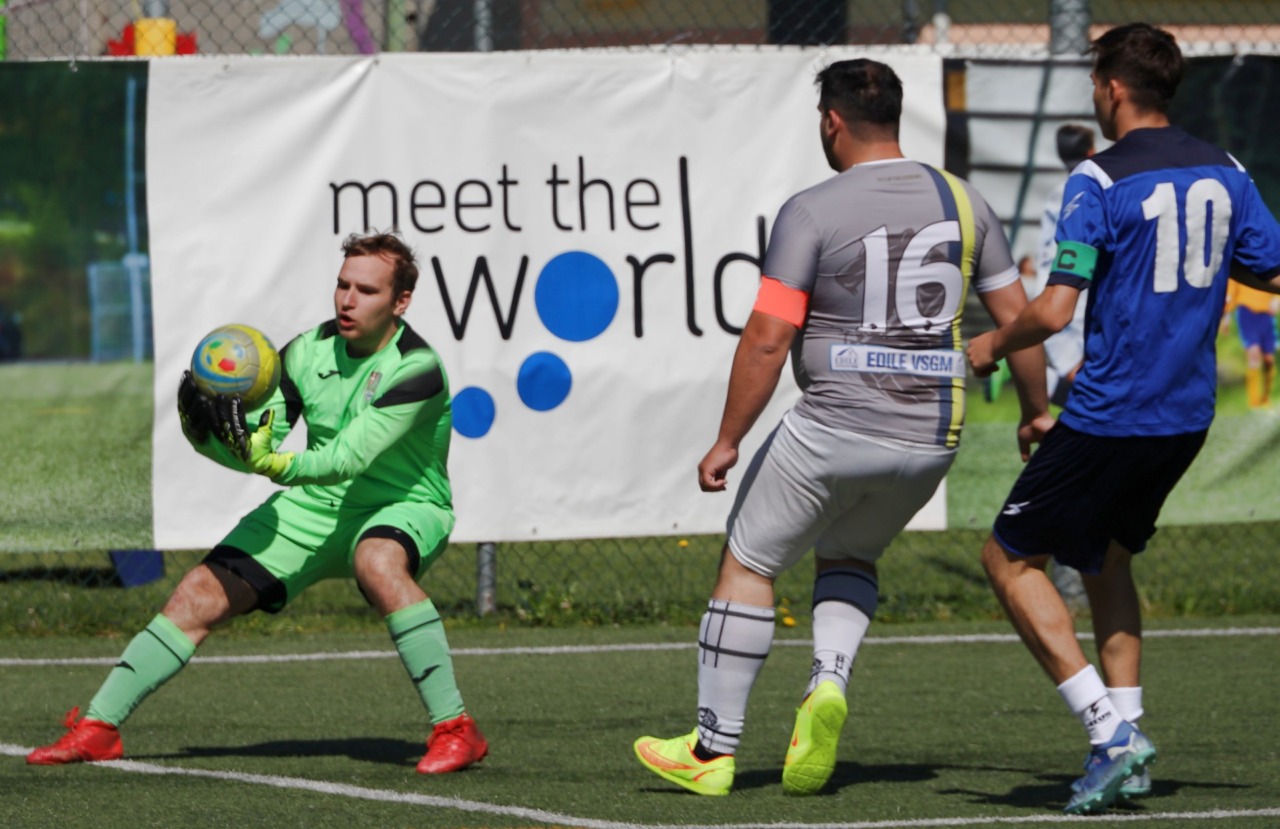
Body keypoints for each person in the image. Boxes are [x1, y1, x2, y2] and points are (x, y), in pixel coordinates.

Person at [633, 58, 1050, 797]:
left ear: (831, 121)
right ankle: (826, 682)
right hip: (930, 440)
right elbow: (1021, 324)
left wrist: (728, 438)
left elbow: (767, 336)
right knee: (850, 552)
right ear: (893, 115)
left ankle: (711, 748)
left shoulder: (811, 209)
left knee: (750, 563)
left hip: (833, 426)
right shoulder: (965, 200)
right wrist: (1033, 411)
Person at [27, 231, 489, 774]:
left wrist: (275, 465)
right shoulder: (306, 351)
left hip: (405, 504)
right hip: (315, 506)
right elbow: (256, 448)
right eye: (342, 285)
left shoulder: (417, 368)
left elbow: (345, 458)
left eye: (365, 290)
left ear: (400, 302)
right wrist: (204, 434)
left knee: (378, 559)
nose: (346, 300)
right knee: (197, 593)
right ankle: (99, 728)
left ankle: (456, 729)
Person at [966, 23, 1280, 815]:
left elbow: (1054, 307)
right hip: (1185, 416)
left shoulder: (1096, 181)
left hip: (1114, 412)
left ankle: (1108, 731)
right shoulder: (1229, 169)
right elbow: (1269, 264)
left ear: (1110, 87)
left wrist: (994, 341)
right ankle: (1128, 743)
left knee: (1008, 559)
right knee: (1107, 558)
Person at [1221, 278, 1279, 408]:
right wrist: (1227, 315)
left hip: (1266, 313)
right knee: (1253, 353)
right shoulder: (1241, 260)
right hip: (1246, 311)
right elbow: (1232, 286)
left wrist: (1277, 298)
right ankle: (1254, 402)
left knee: (1269, 359)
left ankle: (1266, 398)